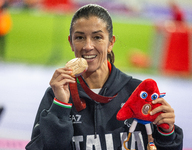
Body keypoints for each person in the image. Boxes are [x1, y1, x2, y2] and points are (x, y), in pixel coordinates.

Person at [26, 4, 183, 150]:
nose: (88, 46)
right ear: (71, 42)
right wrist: (60, 105)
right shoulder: (56, 95)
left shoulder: (138, 92)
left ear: (110, 43)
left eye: (97, 37)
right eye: (79, 37)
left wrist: (166, 133)